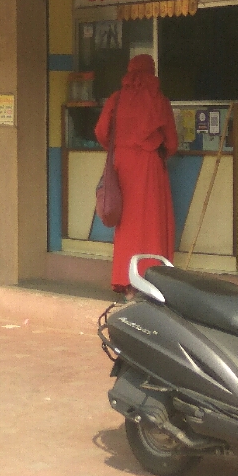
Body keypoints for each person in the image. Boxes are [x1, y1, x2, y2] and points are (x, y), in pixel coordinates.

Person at [95, 54, 178, 297]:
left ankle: (127, 282)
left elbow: (101, 131)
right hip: (150, 168)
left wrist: (120, 148)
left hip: (122, 167)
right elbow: (172, 142)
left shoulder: (117, 98)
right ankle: (153, 280)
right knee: (152, 224)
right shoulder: (159, 100)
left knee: (126, 226)